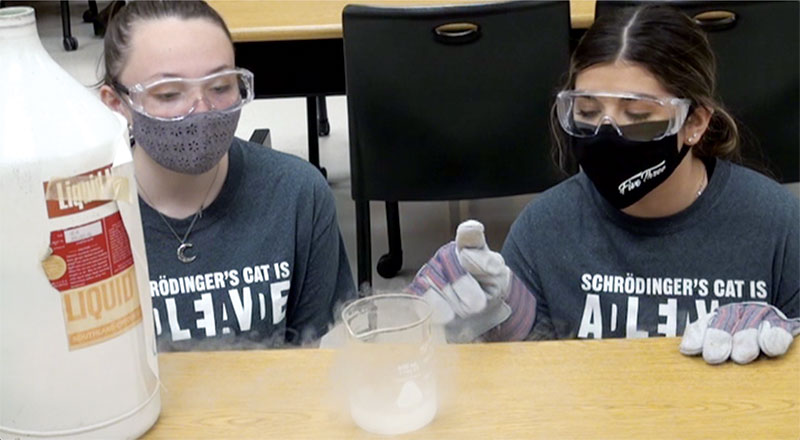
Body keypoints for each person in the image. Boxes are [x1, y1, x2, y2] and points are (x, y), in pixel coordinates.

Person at [410, 4, 799, 363]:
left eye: (637, 113)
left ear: (695, 123)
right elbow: (534, 383)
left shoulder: (776, 224)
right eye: (588, 111)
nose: (606, 133)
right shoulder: (543, 229)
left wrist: (789, 338)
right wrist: (495, 328)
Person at [99, 1, 355, 350]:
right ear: (116, 103)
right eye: (169, 93)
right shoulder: (89, 213)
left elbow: (309, 362)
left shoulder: (297, 195)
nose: (201, 111)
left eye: (220, 87)